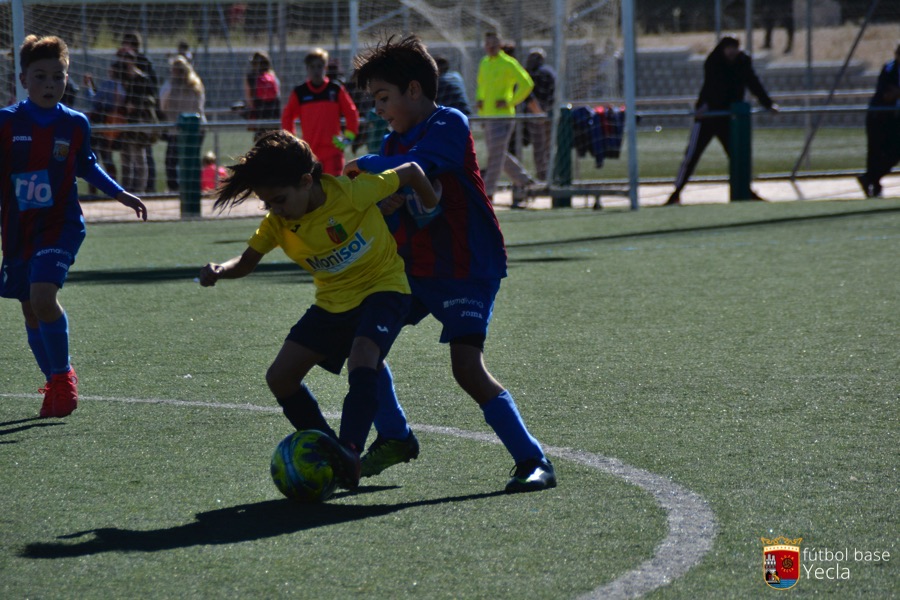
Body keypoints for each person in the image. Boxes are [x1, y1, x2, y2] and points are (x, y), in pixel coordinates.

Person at [348, 35, 556, 494]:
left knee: (466, 367)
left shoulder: (450, 123)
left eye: (384, 98)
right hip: (414, 267)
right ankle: (395, 436)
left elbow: (419, 167)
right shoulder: (391, 140)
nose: (379, 109)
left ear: (415, 90)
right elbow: (401, 196)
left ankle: (533, 459)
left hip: (467, 265)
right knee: (362, 349)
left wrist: (366, 166)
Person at [198, 131, 438, 490]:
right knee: (279, 377)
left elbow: (412, 170)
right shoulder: (279, 222)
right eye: (267, 203)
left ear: (307, 181)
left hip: (384, 288)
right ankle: (331, 451)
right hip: (332, 304)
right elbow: (247, 262)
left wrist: (430, 206)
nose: (274, 209)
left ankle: (351, 452)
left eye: (279, 199)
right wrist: (220, 270)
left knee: (363, 356)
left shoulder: (352, 192)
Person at [0, 35, 147, 418]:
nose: (50, 84)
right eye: (40, 76)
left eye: (58, 76)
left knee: (44, 296)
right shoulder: (5, 122)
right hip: (17, 227)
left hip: (60, 224)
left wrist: (121, 194)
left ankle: (63, 377)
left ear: (67, 79)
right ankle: (54, 380)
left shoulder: (75, 123)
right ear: (23, 79)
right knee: (31, 310)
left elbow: (86, 164)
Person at [666, 36, 778, 206]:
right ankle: (676, 192)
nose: (732, 51)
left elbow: (753, 83)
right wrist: (705, 106)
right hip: (708, 118)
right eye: (729, 47)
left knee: (737, 157)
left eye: (735, 47)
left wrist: (768, 103)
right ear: (723, 48)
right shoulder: (713, 61)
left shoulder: (743, 62)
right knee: (692, 155)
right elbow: (714, 87)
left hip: (727, 118)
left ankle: (746, 190)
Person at [475, 31, 536, 202]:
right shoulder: (484, 62)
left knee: (495, 155)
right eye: (488, 44)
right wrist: (479, 101)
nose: (490, 47)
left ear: (500, 45)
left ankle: (488, 192)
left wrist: (511, 102)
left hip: (503, 117)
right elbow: (481, 85)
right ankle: (524, 180)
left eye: (494, 44)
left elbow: (527, 84)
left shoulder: (509, 63)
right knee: (498, 153)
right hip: (487, 117)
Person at [281, 48, 360, 176]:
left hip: (333, 152)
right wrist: (292, 141)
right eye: (312, 67)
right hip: (310, 152)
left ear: (326, 67)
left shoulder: (335, 90)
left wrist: (347, 137)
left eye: (320, 66)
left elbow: (352, 113)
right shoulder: (300, 92)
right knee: (311, 189)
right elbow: (287, 116)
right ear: (307, 69)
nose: (316, 70)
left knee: (334, 188)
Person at [858, 44, 900, 198]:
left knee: (894, 153)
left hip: (895, 118)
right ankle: (874, 187)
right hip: (880, 117)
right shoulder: (889, 69)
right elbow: (887, 95)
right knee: (875, 152)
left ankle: (869, 178)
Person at [159, 55, 205, 192]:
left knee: (171, 161)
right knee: (192, 160)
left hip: (178, 129)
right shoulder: (197, 84)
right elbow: (201, 105)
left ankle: (175, 189)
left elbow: (162, 105)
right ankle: (192, 188)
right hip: (197, 128)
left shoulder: (169, 85)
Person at [121, 32, 160, 192]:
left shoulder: (144, 64)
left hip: (141, 118)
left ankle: (146, 188)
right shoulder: (121, 65)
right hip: (126, 118)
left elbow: (151, 89)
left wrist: (136, 104)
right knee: (127, 155)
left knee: (143, 153)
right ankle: (127, 188)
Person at [524, 48, 556, 183]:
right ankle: (550, 176)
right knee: (547, 147)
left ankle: (544, 177)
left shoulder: (532, 73)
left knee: (540, 148)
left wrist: (539, 111)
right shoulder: (549, 71)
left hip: (537, 114)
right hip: (548, 113)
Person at [243, 51, 281, 142]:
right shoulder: (273, 76)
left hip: (260, 114)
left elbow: (249, 100)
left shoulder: (250, 77)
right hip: (274, 114)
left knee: (261, 143)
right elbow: (278, 95)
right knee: (275, 141)